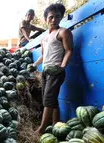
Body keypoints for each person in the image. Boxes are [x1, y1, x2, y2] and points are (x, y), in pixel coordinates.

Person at [28, 3, 73, 134]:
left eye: (57, 17)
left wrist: (62, 66)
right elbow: (43, 56)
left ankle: (42, 128)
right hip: (45, 71)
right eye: (51, 17)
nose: (54, 20)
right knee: (50, 99)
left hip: (56, 72)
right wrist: (35, 65)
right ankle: (55, 123)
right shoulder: (44, 38)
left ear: (61, 17)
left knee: (47, 99)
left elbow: (69, 50)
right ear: (46, 19)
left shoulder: (63, 32)